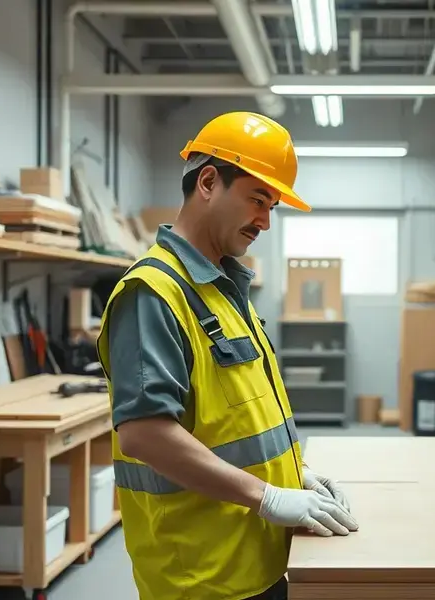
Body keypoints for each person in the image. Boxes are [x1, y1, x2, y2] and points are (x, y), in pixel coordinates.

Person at [96, 111, 358, 600]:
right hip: (200, 575)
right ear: (209, 182)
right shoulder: (152, 292)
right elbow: (145, 434)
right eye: (258, 199)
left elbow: (236, 419)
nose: (264, 220)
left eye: (273, 206)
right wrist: (269, 495)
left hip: (253, 558)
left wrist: (292, 474)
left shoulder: (223, 289)